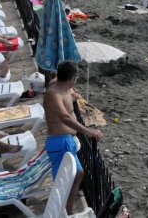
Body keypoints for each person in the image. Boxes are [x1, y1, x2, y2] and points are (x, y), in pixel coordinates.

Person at [44, 61, 103, 214]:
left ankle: (68, 212)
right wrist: (88, 132)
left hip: (66, 141)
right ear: (72, 79)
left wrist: (72, 97)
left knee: (78, 174)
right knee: (63, 183)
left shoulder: (63, 87)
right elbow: (64, 117)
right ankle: (62, 211)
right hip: (59, 142)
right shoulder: (53, 93)